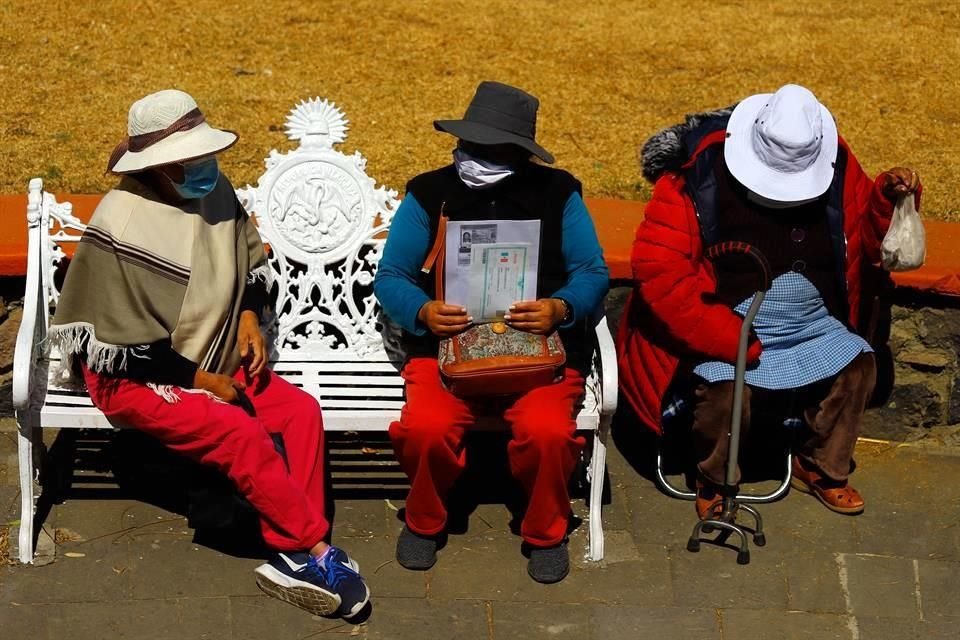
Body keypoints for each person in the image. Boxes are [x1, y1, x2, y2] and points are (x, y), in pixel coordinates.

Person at [50, 89, 369, 618]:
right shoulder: (122, 221)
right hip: (134, 377)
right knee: (238, 432)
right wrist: (204, 382)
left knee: (300, 412)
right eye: (189, 160)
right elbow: (121, 350)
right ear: (157, 167)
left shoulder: (215, 191)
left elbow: (251, 265)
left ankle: (291, 552)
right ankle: (315, 550)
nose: (204, 166)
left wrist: (248, 316)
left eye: (204, 155)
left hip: (217, 353)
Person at [617, 84, 921, 518]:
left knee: (858, 364)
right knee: (727, 388)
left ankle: (821, 463)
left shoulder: (836, 162)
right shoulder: (697, 174)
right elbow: (662, 275)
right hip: (721, 316)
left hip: (810, 316)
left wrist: (885, 202)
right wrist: (729, 338)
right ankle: (714, 477)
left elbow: (865, 244)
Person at [374, 81, 609, 583]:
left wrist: (560, 308)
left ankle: (546, 530)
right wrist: (422, 311)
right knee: (426, 429)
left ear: (519, 153)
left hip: (539, 352)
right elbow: (391, 276)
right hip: (445, 350)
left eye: (490, 148)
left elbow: (591, 271)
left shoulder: (559, 193)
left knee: (547, 432)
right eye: (469, 144)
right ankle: (424, 519)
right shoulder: (428, 193)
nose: (474, 156)